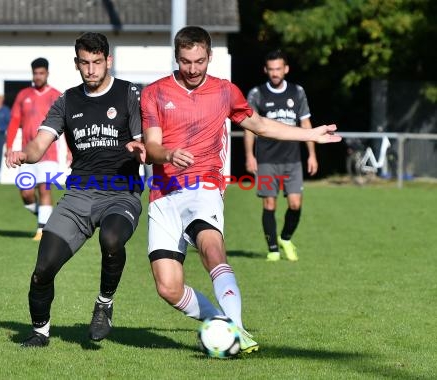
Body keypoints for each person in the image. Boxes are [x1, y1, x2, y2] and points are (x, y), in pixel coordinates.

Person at [141, 26, 340, 355]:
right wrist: (168, 153)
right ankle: (223, 321)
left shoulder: (224, 92)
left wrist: (309, 136)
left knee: (211, 251)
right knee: (168, 287)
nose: (193, 69)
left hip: (204, 186)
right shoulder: (155, 93)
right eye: (186, 61)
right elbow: (151, 146)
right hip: (163, 195)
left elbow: (260, 124)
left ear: (210, 57)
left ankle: (238, 330)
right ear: (176, 58)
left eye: (200, 61)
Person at [6, 32, 145, 347]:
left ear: (108, 61)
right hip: (79, 195)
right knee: (42, 270)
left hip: (121, 192)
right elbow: (41, 143)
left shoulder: (129, 94)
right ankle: (40, 332)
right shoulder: (67, 100)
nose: (91, 70)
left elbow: (145, 138)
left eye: (97, 62)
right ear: (76, 63)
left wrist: (142, 147)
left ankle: (104, 304)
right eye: (85, 63)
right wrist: (25, 154)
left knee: (111, 239)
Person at [244, 50, 317, 262]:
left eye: (279, 69)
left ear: (286, 69)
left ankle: (285, 238)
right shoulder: (257, 94)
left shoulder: (297, 92)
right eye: (271, 69)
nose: (275, 73)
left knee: (295, 204)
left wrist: (311, 154)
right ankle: (273, 249)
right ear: (265, 70)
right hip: (267, 159)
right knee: (269, 204)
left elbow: (305, 124)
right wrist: (250, 155)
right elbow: (249, 127)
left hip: (293, 159)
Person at [5, 57, 63, 241]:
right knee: (26, 192)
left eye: (41, 73)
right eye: (35, 73)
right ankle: (45, 218)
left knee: (45, 189)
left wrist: (70, 150)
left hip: (49, 152)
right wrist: (9, 146)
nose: (38, 76)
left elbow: (67, 124)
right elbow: (14, 122)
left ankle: (42, 231)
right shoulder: (23, 95)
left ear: (47, 73)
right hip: (27, 153)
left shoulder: (56, 95)